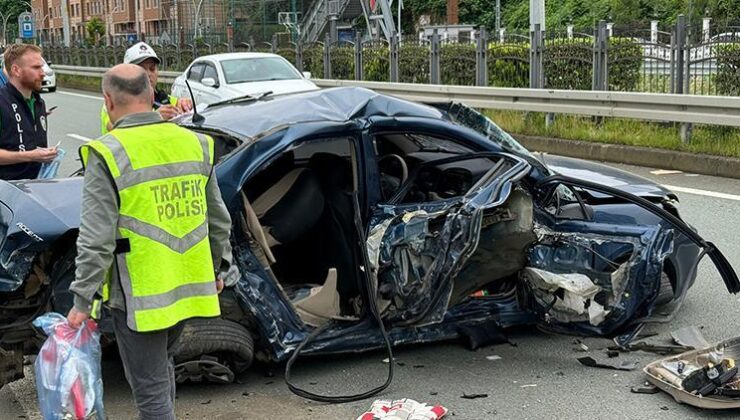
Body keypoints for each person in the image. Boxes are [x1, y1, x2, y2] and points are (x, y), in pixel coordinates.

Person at [67, 64, 233, 420]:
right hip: (188, 287)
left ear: (108, 100)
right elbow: (218, 219)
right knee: (161, 370)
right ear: (150, 95)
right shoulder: (195, 143)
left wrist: (82, 299)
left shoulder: (107, 152)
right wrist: (219, 267)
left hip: (139, 295)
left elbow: (96, 239)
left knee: (151, 392)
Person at [100, 42, 192, 135]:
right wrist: (154, 117)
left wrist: (184, 104)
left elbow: (176, 104)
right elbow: (117, 129)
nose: (148, 74)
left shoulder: (162, 99)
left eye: (152, 69)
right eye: (141, 70)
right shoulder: (114, 104)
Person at [0, 44, 57, 180]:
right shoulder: (2, 102)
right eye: (36, 67)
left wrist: (45, 155)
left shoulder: (38, 103)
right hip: (6, 193)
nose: (43, 72)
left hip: (36, 189)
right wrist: (30, 156)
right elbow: (31, 153)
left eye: (42, 67)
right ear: (16, 70)